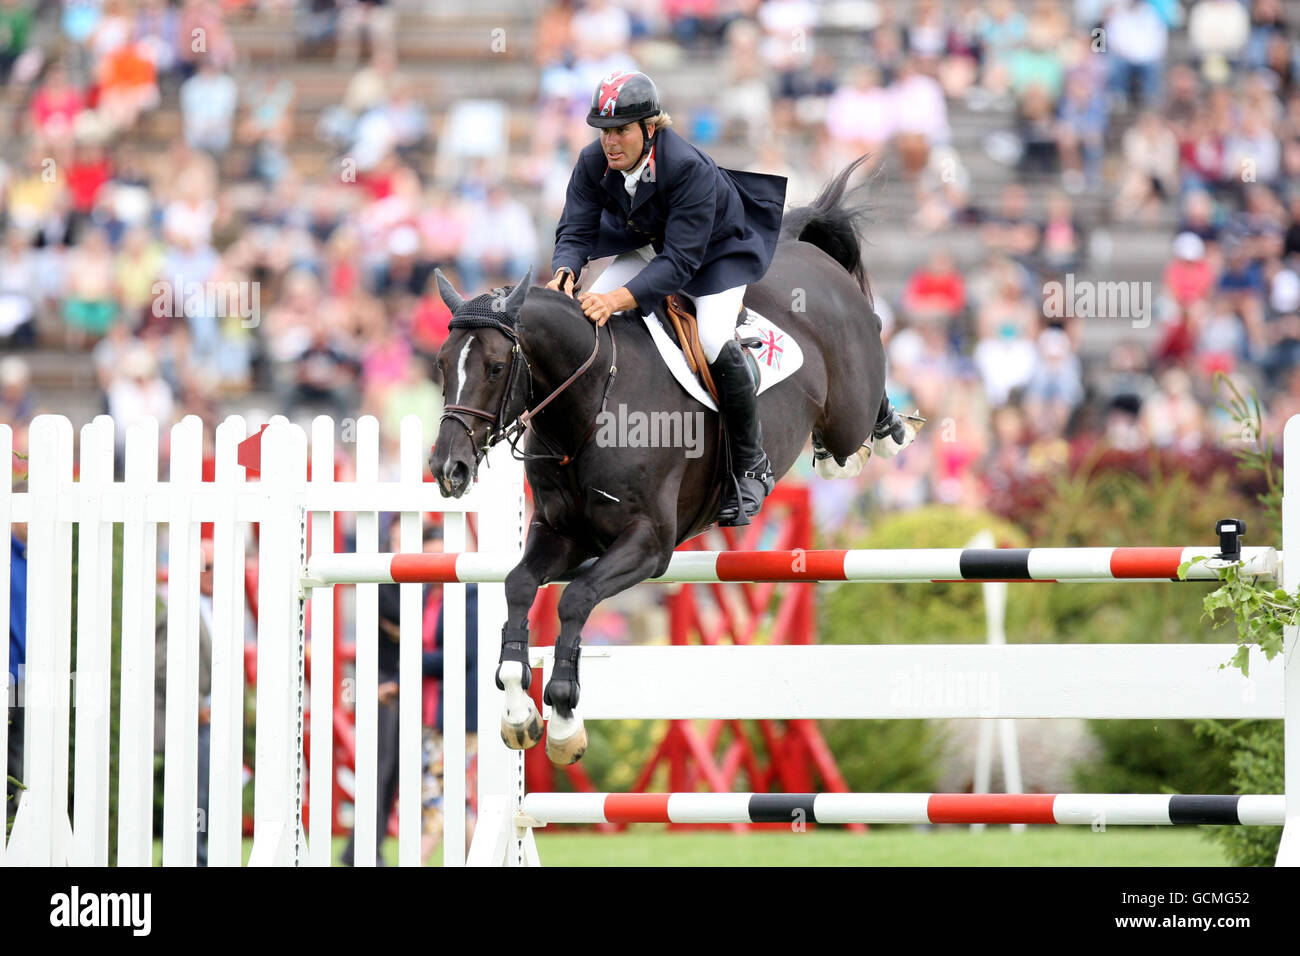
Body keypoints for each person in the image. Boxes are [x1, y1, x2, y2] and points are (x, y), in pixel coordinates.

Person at [547, 70, 788, 526]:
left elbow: (680, 265)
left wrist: (619, 298)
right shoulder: (591, 161)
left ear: (650, 128)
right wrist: (565, 271)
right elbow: (575, 230)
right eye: (604, 131)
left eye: (621, 130)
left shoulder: (687, 168)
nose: (610, 142)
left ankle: (751, 464)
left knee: (714, 338)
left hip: (716, 254)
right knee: (585, 318)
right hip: (653, 243)